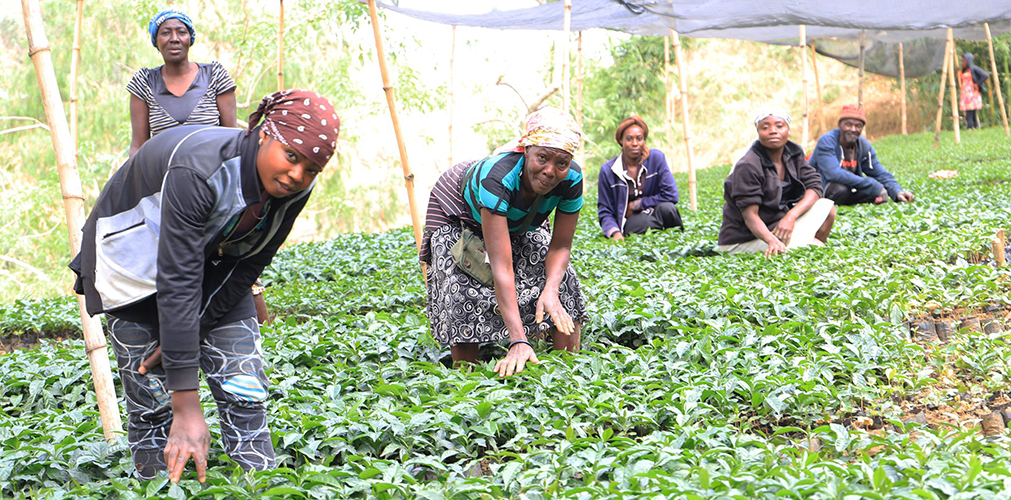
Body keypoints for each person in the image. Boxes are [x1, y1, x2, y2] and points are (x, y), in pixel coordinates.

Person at [70, 90, 340, 483]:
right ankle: (160, 485)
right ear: (265, 133)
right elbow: (177, 279)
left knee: (244, 387)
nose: (298, 174)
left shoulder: (295, 186)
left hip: (211, 263)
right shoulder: (200, 169)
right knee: (154, 403)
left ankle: (259, 485)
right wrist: (186, 403)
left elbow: (249, 263)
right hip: (131, 264)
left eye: (312, 168)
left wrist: (189, 336)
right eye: (292, 156)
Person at [421, 108, 587, 377]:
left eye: (562, 163)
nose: (550, 171)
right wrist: (518, 341)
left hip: (518, 218)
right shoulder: (497, 177)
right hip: (460, 214)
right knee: (462, 279)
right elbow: (501, 267)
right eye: (542, 158)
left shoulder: (572, 180)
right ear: (526, 151)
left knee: (562, 277)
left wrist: (551, 290)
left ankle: (566, 372)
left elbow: (561, 247)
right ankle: (467, 375)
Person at [718, 108, 835, 257]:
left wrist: (790, 217)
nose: (773, 131)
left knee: (827, 208)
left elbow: (815, 186)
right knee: (806, 248)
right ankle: (800, 246)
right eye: (765, 127)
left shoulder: (793, 153)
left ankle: (804, 245)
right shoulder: (748, 165)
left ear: (788, 131)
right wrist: (772, 240)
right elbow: (750, 216)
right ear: (758, 133)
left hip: (777, 226)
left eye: (779, 126)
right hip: (744, 239)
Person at [128, 9, 237, 156]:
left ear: (190, 39)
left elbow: (233, 138)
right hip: (163, 176)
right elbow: (138, 147)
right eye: (165, 33)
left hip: (213, 175)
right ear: (156, 41)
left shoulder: (215, 76)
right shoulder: (144, 83)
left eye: (181, 32)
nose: (174, 39)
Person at [809, 105, 915, 205]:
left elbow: (879, 173)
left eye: (858, 126)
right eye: (848, 124)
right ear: (840, 125)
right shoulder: (827, 141)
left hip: (848, 189)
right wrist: (871, 185)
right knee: (841, 189)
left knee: (877, 192)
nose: (853, 129)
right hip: (823, 188)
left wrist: (897, 191)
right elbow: (834, 173)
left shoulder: (863, 145)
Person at [597, 115, 682, 240]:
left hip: (655, 211)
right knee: (644, 223)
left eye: (639, 138)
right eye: (629, 139)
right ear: (621, 141)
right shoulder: (608, 171)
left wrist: (638, 205)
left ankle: (673, 238)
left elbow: (671, 195)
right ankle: (659, 232)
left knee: (669, 209)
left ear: (644, 140)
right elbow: (605, 210)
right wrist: (615, 232)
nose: (635, 143)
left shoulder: (656, 159)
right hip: (631, 220)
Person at [960, 53, 990, 130]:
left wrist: (977, 84)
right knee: (972, 112)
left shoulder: (973, 68)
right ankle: (975, 127)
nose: (962, 63)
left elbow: (985, 75)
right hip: (965, 94)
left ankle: (970, 128)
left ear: (968, 61)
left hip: (972, 93)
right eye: (961, 61)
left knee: (969, 112)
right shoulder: (963, 70)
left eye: (963, 61)